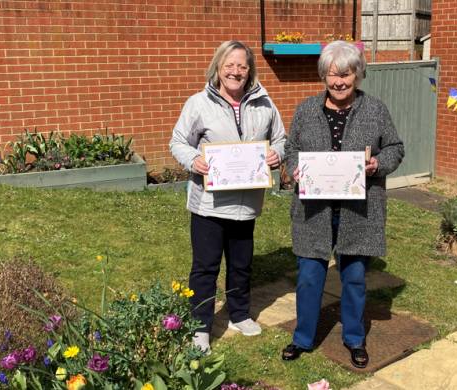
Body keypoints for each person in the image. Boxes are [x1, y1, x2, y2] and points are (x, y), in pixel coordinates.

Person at [281, 40, 404, 368]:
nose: (339, 82)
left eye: (346, 74)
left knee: (353, 278)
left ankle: (353, 338)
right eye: (332, 75)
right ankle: (303, 338)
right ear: (323, 75)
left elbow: (394, 148)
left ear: (358, 75)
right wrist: (293, 166)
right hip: (313, 211)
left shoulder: (375, 109)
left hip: (358, 211)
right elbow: (291, 148)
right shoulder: (306, 109)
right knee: (309, 276)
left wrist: (377, 164)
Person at [169, 41, 287, 353]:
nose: (235, 72)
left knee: (241, 265)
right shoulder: (198, 103)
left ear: (250, 71)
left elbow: (281, 139)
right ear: (219, 68)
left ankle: (238, 315)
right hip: (209, 204)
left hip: (246, 204)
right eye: (229, 65)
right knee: (205, 268)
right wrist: (193, 159)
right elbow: (178, 141)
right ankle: (199, 328)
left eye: (242, 66)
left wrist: (277, 153)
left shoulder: (264, 103)